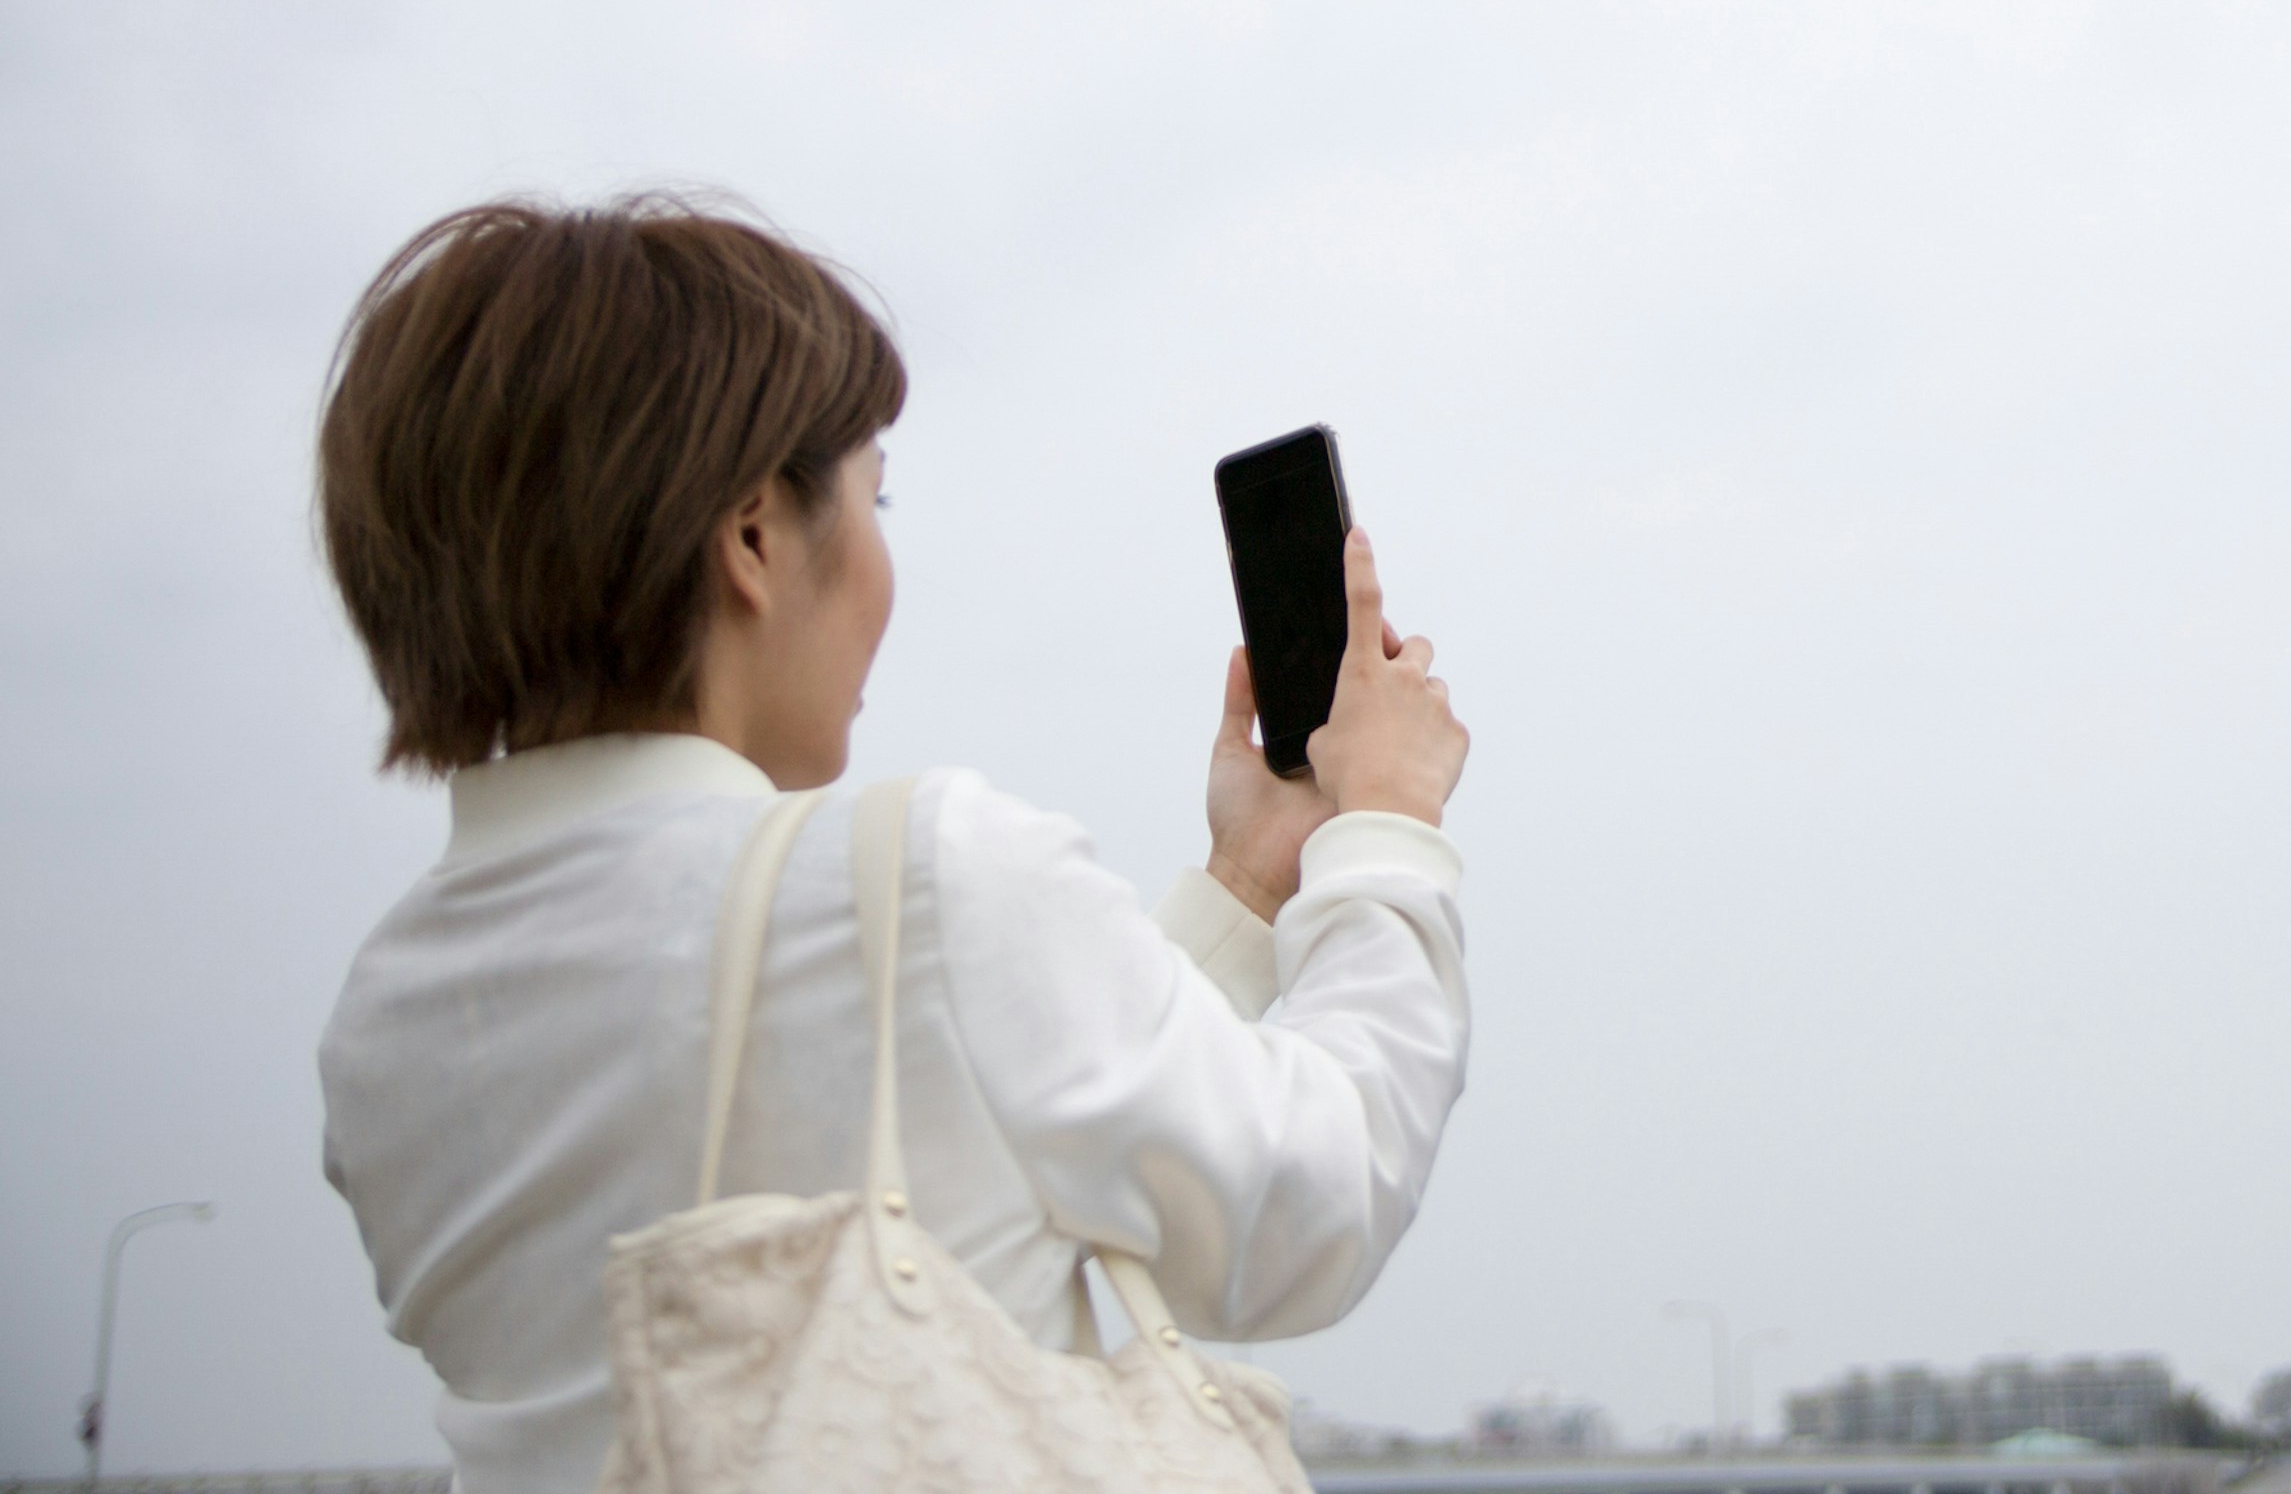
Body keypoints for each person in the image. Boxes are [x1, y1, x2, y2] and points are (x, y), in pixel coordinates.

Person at [312, 196, 1471, 1494]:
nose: (881, 559)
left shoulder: (385, 1017)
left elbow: (943, 1130)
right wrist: (1386, 837)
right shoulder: (924, 873)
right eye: (874, 496)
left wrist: (1248, 891)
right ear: (754, 538)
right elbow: (1308, 1205)